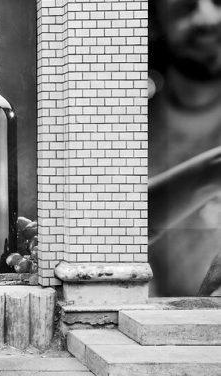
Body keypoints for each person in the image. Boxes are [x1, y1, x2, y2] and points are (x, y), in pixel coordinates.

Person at [149, 0, 221, 296]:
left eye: (219, 2)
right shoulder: (125, 127)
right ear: (155, 22)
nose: (207, 17)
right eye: (184, 7)